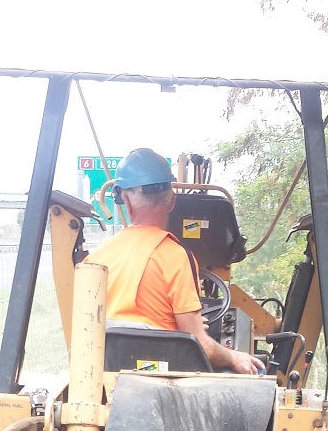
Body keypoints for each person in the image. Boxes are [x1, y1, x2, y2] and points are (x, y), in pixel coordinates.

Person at [89, 148, 263, 375]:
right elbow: (202, 346)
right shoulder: (174, 256)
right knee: (253, 372)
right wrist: (233, 356)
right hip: (163, 382)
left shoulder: (96, 259)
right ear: (171, 201)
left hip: (107, 378)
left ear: (125, 201)